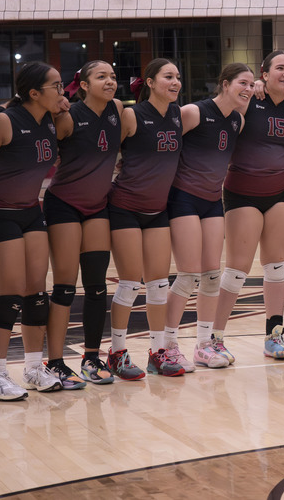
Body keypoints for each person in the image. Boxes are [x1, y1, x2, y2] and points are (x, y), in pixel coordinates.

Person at [0, 62, 70, 397]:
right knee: (9, 295)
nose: (63, 92)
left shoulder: (50, 118)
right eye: (56, 86)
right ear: (34, 93)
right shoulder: (6, 119)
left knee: (36, 293)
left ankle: (33, 368)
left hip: (32, 211)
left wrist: (62, 108)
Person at [162, 64, 254, 371]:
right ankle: (168, 345)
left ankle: (203, 345)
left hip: (214, 200)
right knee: (188, 275)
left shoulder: (238, 120)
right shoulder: (193, 112)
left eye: (252, 85)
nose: (248, 89)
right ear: (225, 84)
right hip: (183, 198)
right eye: (243, 83)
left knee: (212, 274)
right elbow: (165, 148)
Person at [106, 58, 185, 379]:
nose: (176, 82)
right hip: (125, 207)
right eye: (168, 77)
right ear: (150, 82)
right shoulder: (131, 114)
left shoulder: (179, 115)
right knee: (128, 284)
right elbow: (104, 151)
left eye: (178, 77)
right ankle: (117, 352)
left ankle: (157, 352)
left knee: (157, 284)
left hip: (158, 211)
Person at [44, 61, 121, 386]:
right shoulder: (67, 117)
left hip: (97, 207)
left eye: (113, 76)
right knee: (64, 286)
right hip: (64, 204)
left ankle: (92, 357)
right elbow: (29, 123)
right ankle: (56, 362)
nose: (110, 82)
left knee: (97, 285)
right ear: (84, 84)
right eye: (101, 77)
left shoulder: (118, 110)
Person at [217, 50, 284, 360]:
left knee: (277, 264)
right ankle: (215, 337)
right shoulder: (248, 99)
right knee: (237, 269)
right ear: (264, 74)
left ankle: (274, 335)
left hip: (281, 191)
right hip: (243, 193)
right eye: (280, 68)